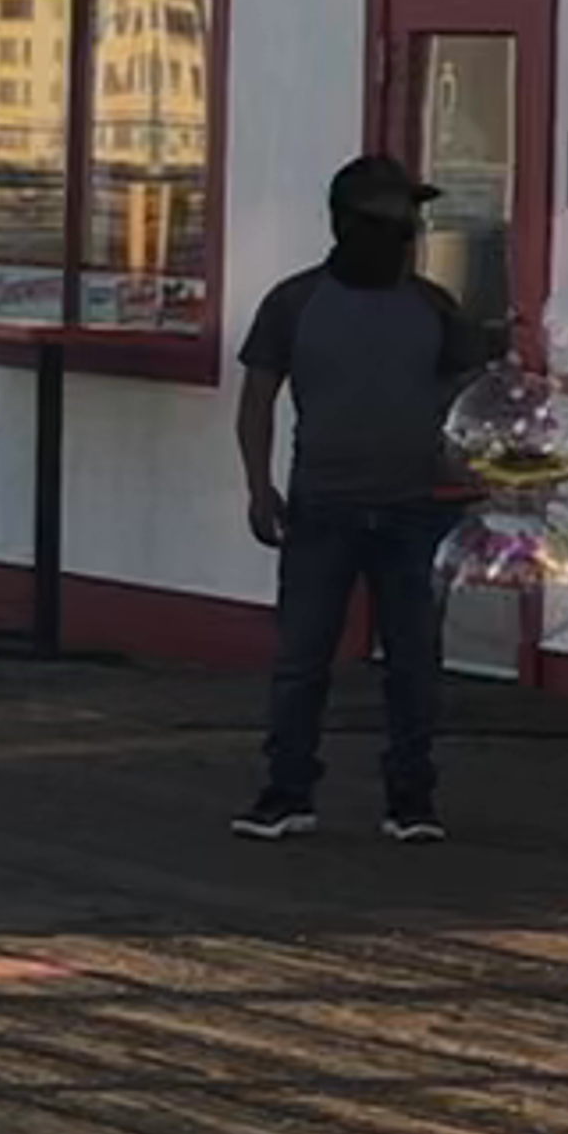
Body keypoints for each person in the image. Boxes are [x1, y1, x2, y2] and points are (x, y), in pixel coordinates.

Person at [232, 155, 469, 839]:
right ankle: (286, 790)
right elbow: (256, 401)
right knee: (301, 659)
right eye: (390, 219)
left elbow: (472, 406)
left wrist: (480, 477)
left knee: (415, 661)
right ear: (344, 224)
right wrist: (257, 485)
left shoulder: (435, 306)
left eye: (411, 221)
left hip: (417, 508)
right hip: (322, 505)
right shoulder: (294, 301)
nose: (406, 232)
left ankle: (411, 796)